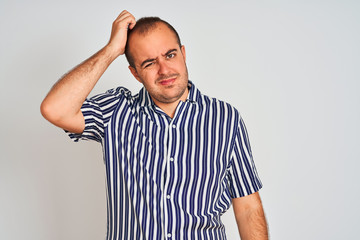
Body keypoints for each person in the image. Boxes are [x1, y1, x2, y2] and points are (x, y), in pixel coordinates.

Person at [41, 10, 268, 240]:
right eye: (149, 63)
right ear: (135, 73)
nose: (164, 70)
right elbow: (55, 109)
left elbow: (248, 207)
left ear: (183, 53)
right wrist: (111, 50)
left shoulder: (225, 118)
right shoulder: (116, 110)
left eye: (170, 55)